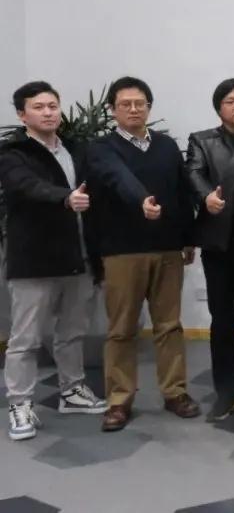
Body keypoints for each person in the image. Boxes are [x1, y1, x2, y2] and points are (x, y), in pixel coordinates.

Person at [87, 76, 201, 432]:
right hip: (123, 251)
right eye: (126, 104)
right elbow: (117, 176)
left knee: (169, 326)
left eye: (140, 103)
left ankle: (175, 392)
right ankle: (119, 400)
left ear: (149, 107)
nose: (134, 110)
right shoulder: (101, 148)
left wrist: (188, 238)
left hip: (167, 248)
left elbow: (182, 194)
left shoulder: (166, 146)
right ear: (112, 109)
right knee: (122, 329)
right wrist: (142, 200)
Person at [1, 82, 107, 441]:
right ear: (22, 115)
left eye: (52, 106)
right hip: (35, 260)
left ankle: (72, 390)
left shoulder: (76, 149)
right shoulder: (13, 153)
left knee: (72, 332)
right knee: (26, 339)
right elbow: (27, 187)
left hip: (78, 256)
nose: (48, 112)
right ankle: (20, 403)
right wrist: (65, 198)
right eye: (38, 107)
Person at [185, 77, 234, 420]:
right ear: (219, 108)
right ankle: (226, 391)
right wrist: (206, 197)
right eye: (231, 101)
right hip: (221, 245)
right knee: (224, 321)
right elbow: (193, 173)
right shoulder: (203, 141)